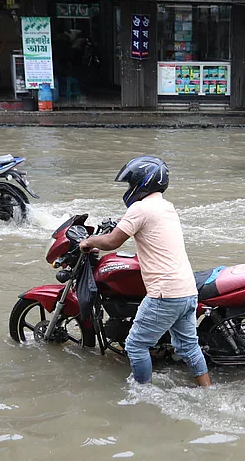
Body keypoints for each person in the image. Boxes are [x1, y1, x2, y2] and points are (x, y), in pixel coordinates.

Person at [78, 157, 212, 388]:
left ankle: (143, 395)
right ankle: (208, 390)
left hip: (164, 294)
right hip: (187, 291)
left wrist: (88, 241)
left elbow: (112, 241)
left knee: (136, 345)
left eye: (131, 184)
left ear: (142, 182)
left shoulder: (140, 208)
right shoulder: (166, 207)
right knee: (189, 347)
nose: (129, 189)